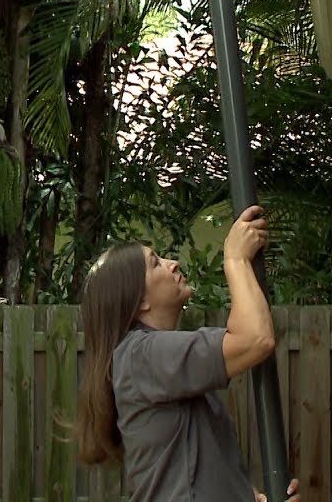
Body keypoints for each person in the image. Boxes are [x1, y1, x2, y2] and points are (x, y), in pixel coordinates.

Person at [76, 205, 300, 502]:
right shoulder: (141, 355)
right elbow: (254, 338)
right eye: (155, 263)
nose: (172, 264)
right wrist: (235, 259)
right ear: (138, 300)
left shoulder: (156, 362)